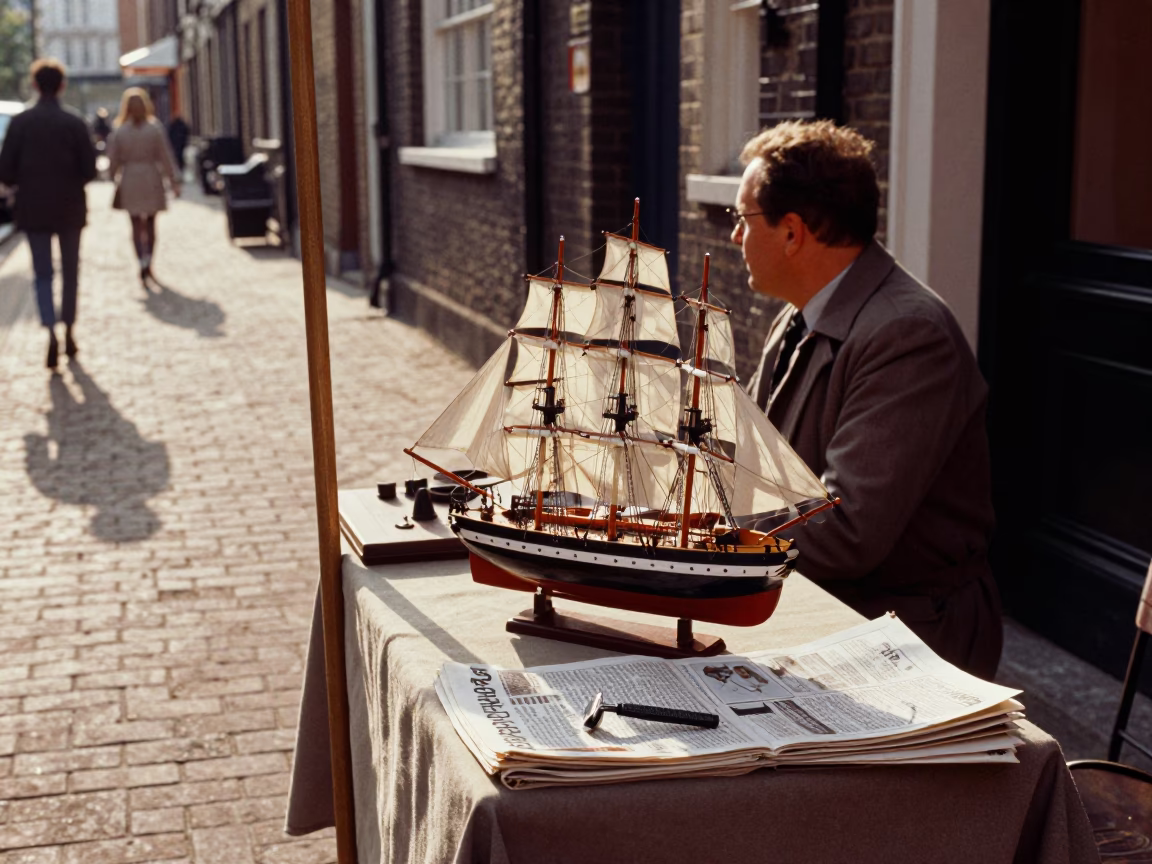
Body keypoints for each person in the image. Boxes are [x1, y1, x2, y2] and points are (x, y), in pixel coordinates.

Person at [734, 120, 1002, 679]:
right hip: (821, 604)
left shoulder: (907, 333)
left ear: (792, 231)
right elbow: (756, 459)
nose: (735, 237)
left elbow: (848, 530)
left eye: (743, 219)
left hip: (907, 638)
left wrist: (714, 512)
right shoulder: (800, 311)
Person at [0, 58, 98, 369]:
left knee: (42, 274)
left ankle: (51, 331)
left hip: (33, 210)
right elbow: (90, 169)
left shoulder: (21, 123)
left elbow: (6, 170)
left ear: (34, 85)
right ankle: (69, 327)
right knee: (71, 272)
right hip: (69, 209)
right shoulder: (74, 121)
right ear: (62, 86)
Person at [107, 88, 180, 286]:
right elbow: (166, 157)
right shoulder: (154, 128)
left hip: (130, 178)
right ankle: (149, 262)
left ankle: (141, 258)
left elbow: (113, 160)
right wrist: (174, 181)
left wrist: (112, 176)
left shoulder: (120, 131)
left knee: (135, 224)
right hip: (151, 177)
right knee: (150, 224)